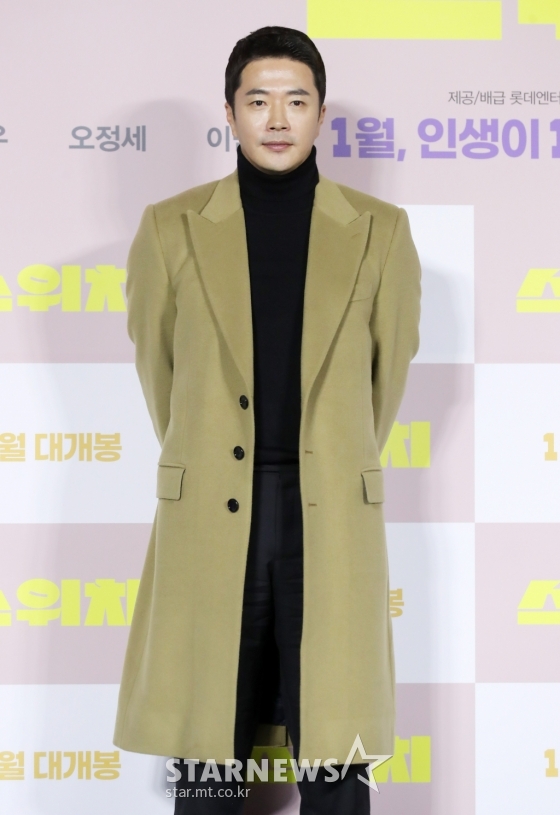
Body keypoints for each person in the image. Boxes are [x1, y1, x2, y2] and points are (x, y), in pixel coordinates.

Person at [113, 25, 421, 814]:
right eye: (258, 101)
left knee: (337, 751)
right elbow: (161, 374)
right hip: (211, 519)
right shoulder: (171, 226)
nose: (277, 119)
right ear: (230, 112)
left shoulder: (381, 230)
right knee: (209, 755)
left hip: (330, 515)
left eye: (296, 100)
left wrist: (329, 456)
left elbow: (386, 381)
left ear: (321, 114)